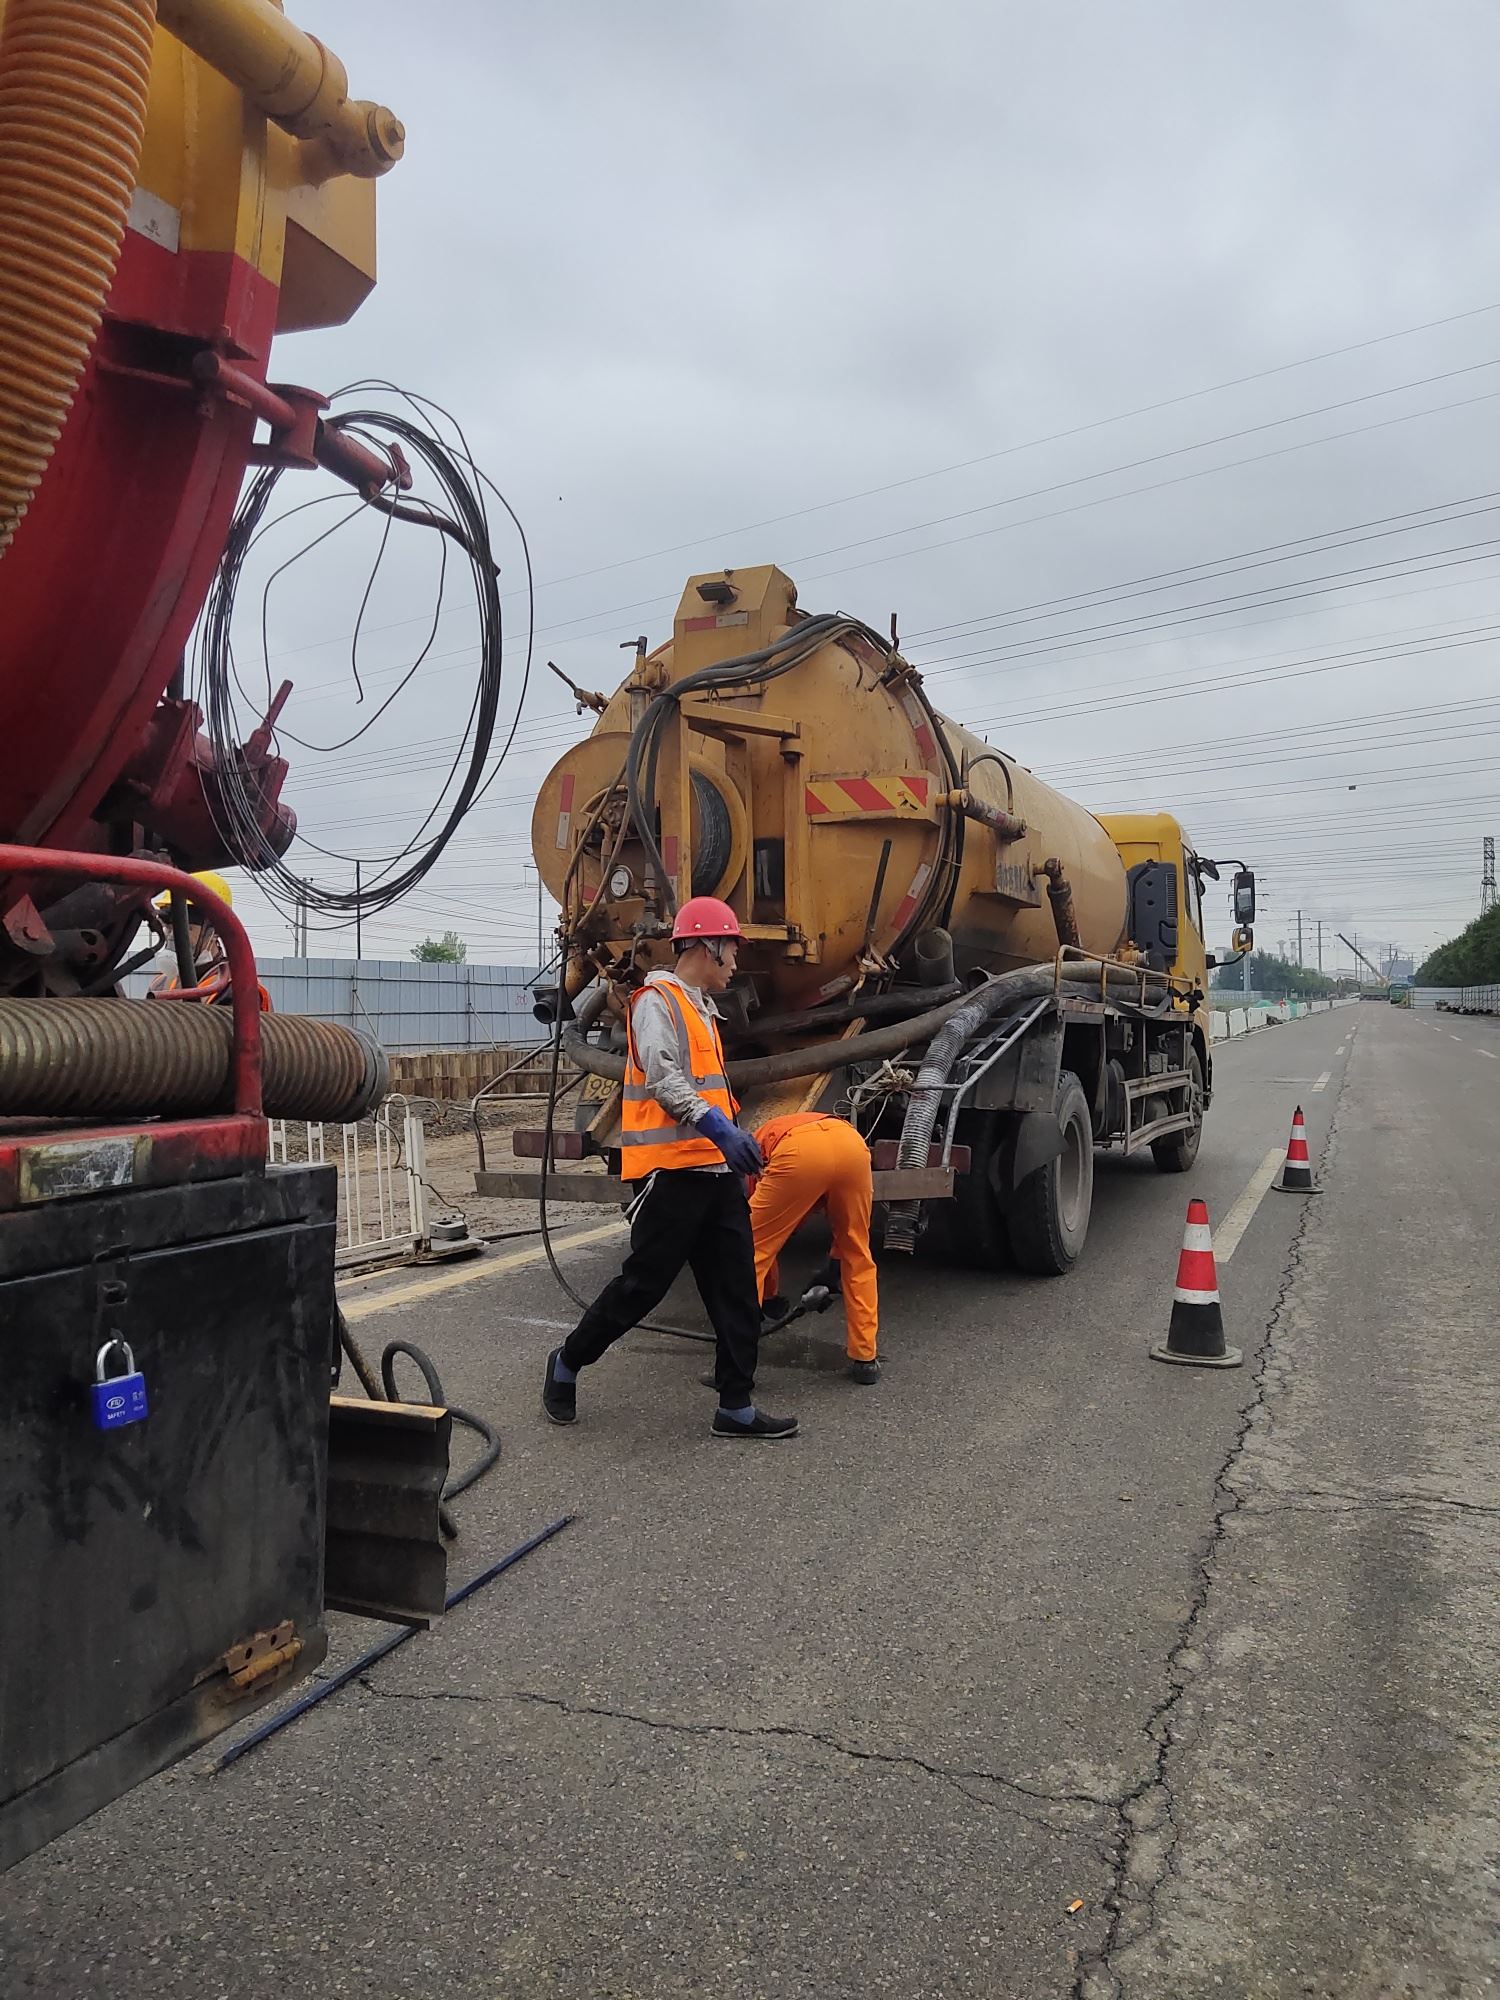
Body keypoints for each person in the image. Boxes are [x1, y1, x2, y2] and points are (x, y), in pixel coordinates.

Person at [542, 896, 798, 1440]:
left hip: (713, 1175)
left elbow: (707, 1087)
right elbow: (663, 1077)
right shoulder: (656, 1001)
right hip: (670, 1178)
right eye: (731, 948)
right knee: (642, 1286)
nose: (736, 960)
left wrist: (732, 1143)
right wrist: (721, 1130)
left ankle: (736, 1405)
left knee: (735, 1289)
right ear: (707, 946)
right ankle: (567, 1363)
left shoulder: (702, 1007)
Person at [749, 1113, 881, 1384]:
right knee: (856, 1251)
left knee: (748, 1249)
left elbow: (763, 1245)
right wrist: (834, 1265)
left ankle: (736, 1363)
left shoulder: (747, 1157)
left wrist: (770, 1298)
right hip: (851, 1145)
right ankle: (865, 1358)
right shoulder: (787, 1127)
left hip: (798, 1153)